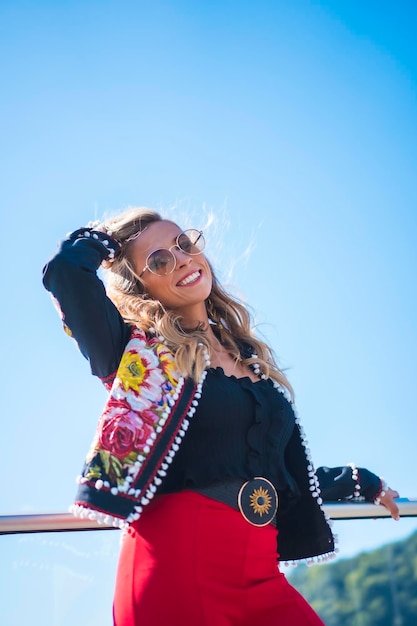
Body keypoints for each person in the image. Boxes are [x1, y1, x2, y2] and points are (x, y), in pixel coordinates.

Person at [42, 207, 399, 626]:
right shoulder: (135, 354)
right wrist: (107, 239)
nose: (181, 260)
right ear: (142, 288)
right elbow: (66, 272)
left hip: (260, 569)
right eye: (158, 261)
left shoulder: (252, 366)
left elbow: (266, 474)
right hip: (174, 568)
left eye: (184, 245)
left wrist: (358, 481)